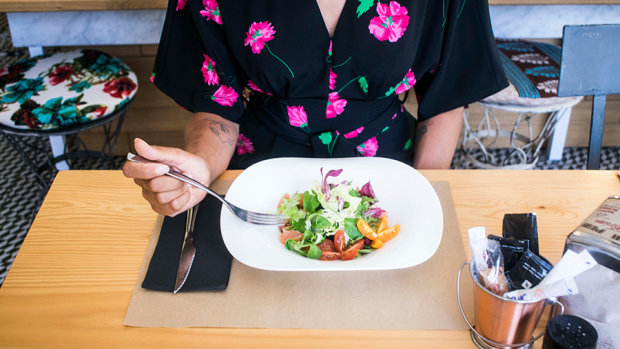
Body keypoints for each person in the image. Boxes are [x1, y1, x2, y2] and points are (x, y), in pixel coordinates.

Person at [123, 0, 508, 216]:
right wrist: (203, 166)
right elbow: (216, 107)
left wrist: (423, 198)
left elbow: (445, 97)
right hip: (259, 178)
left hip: (393, 171)